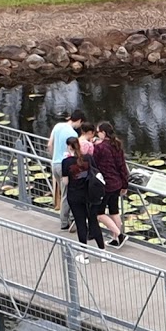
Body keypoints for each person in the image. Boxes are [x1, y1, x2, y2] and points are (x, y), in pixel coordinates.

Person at [62, 137, 105, 261]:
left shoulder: (67, 162)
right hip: (90, 195)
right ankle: (103, 253)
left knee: (81, 224)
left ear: (69, 147)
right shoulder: (88, 158)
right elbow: (96, 173)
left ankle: (84, 255)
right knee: (93, 222)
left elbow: (65, 181)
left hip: (75, 196)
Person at [92, 121, 130, 249]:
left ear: (103, 133)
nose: (97, 134)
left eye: (98, 132)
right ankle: (115, 239)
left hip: (105, 185)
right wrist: (125, 184)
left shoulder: (100, 148)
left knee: (99, 213)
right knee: (114, 211)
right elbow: (122, 166)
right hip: (117, 183)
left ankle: (119, 235)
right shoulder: (117, 145)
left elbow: (94, 165)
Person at [47, 109, 85, 231]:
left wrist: (54, 157)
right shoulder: (73, 135)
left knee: (63, 192)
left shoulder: (58, 126)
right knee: (67, 194)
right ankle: (65, 221)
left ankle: (68, 218)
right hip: (66, 166)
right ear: (79, 121)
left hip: (55, 164)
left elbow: (50, 144)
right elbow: (74, 153)